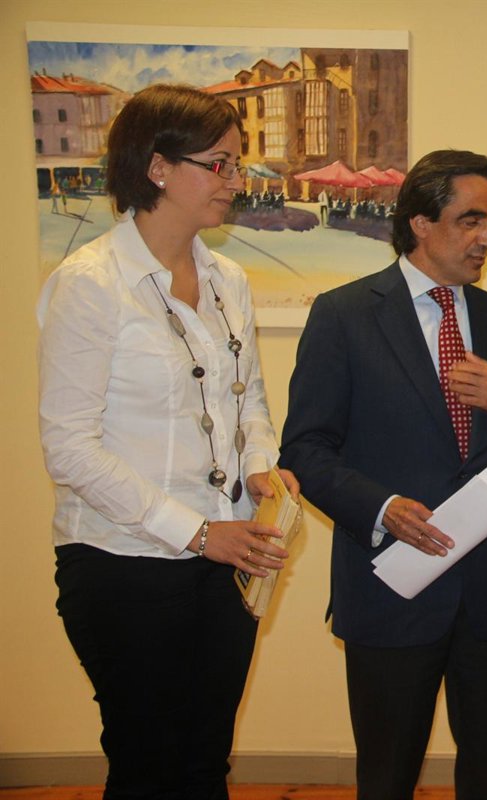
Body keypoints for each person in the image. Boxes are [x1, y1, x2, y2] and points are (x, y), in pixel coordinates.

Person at [279, 149, 487, 800]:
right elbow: (304, 449)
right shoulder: (344, 315)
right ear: (419, 222)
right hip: (391, 587)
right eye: (471, 220)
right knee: (386, 779)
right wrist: (381, 508)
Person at [36, 83, 298, 799]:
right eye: (219, 165)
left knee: (205, 761)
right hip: (123, 563)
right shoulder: (91, 283)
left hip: (228, 558)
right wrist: (196, 533)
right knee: (148, 765)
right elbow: (70, 449)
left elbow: (249, 401)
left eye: (238, 165)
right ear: (157, 167)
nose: (236, 181)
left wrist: (261, 466)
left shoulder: (227, 279)